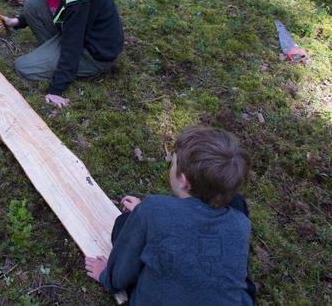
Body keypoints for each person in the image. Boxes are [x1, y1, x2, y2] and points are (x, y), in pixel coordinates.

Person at [85, 125, 256, 304]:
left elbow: (121, 273)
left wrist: (107, 276)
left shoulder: (152, 208)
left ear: (183, 181)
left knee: (123, 223)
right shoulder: (241, 223)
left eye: (173, 162)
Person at [0, 0, 123, 108]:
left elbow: (73, 46)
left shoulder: (78, 1)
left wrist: (55, 89)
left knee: (23, 66)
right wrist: (16, 22)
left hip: (95, 54)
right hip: (77, 36)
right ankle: (51, 55)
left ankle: (58, 62)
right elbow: (53, 8)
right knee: (33, 3)